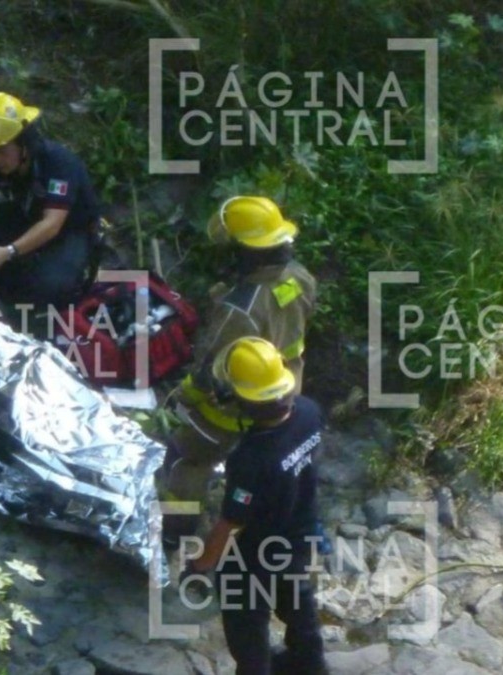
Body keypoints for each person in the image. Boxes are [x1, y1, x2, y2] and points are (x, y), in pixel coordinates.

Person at [161, 196, 317, 546]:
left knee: (187, 458)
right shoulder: (300, 278)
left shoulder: (239, 309)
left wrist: (183, 396)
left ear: (245, 250)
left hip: (232, 410)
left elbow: (210, 369)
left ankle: (176, 531)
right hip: (286, 388)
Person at [179, 337, 328, 675]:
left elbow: (232, 522)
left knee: (246, 624)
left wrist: (201, 566)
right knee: (298, 604)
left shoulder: (251, 458)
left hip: (253, 556)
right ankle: (310, 664)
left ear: (243, 401)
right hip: (299, 536)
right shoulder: (309, 411)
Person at [0, 91, 103, 319]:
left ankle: (24, 311)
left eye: (2, 152)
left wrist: (9, 251)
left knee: (50, 285)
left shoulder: (58, 163)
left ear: (23, 144)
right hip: (28, 214)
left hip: (70, 230)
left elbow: (52, 223)